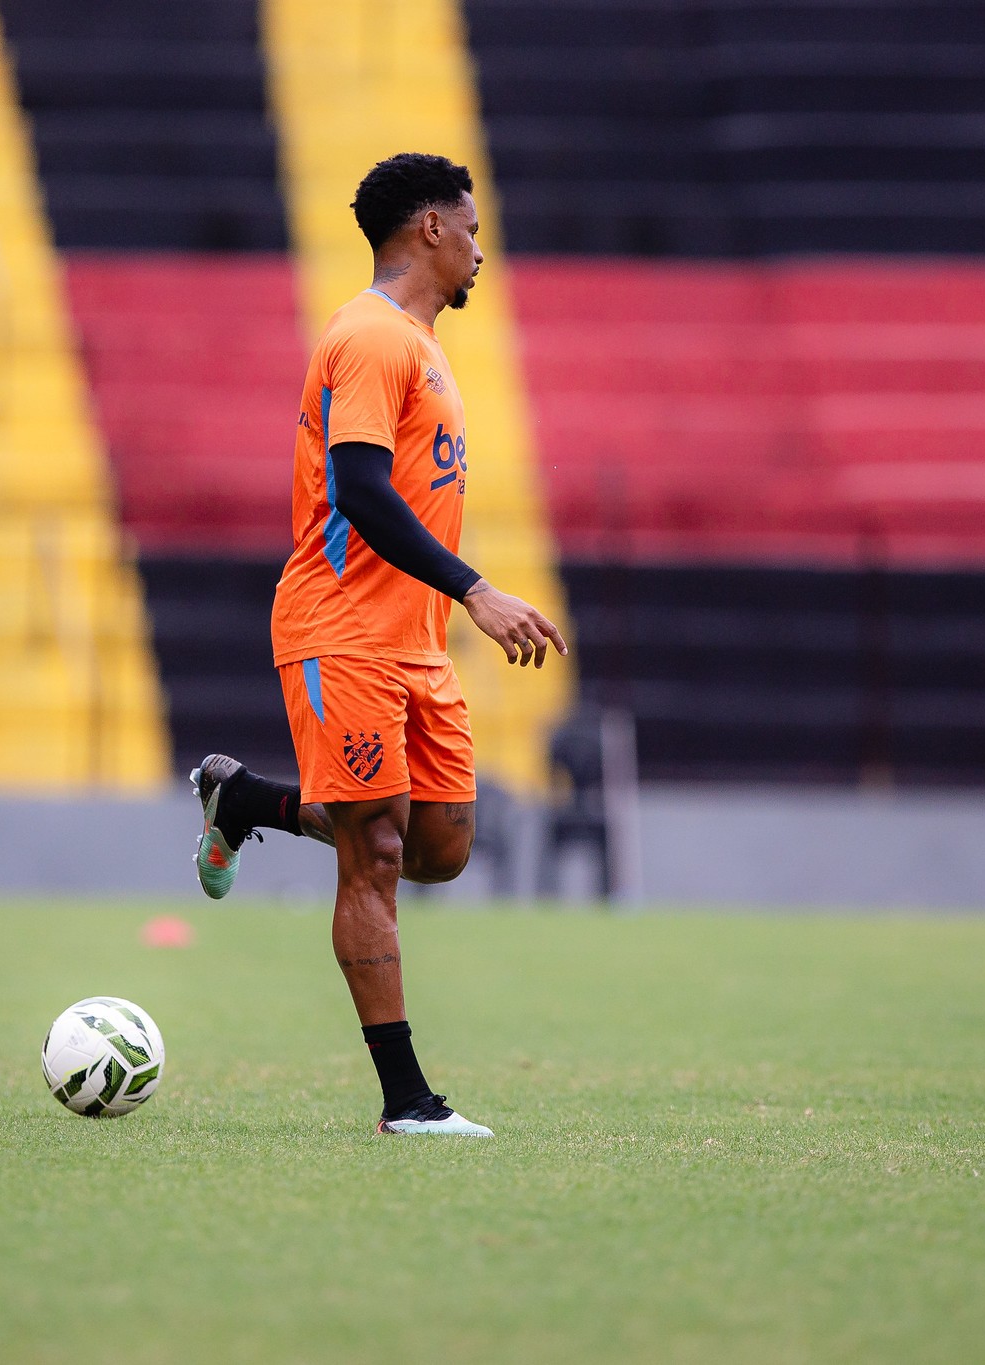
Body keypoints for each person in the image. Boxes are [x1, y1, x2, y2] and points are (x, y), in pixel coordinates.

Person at [188, 152, 566, 1137]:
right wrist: (476, 589)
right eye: (473, 230)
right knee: (377, 849)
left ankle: (246, 799)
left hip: (414, 640)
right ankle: (407, 1101)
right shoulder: (366, 337)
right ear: (431, 229)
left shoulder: (421, 346)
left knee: (439, 849)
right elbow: (358, 489)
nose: (482, 251)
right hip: (339, 627)